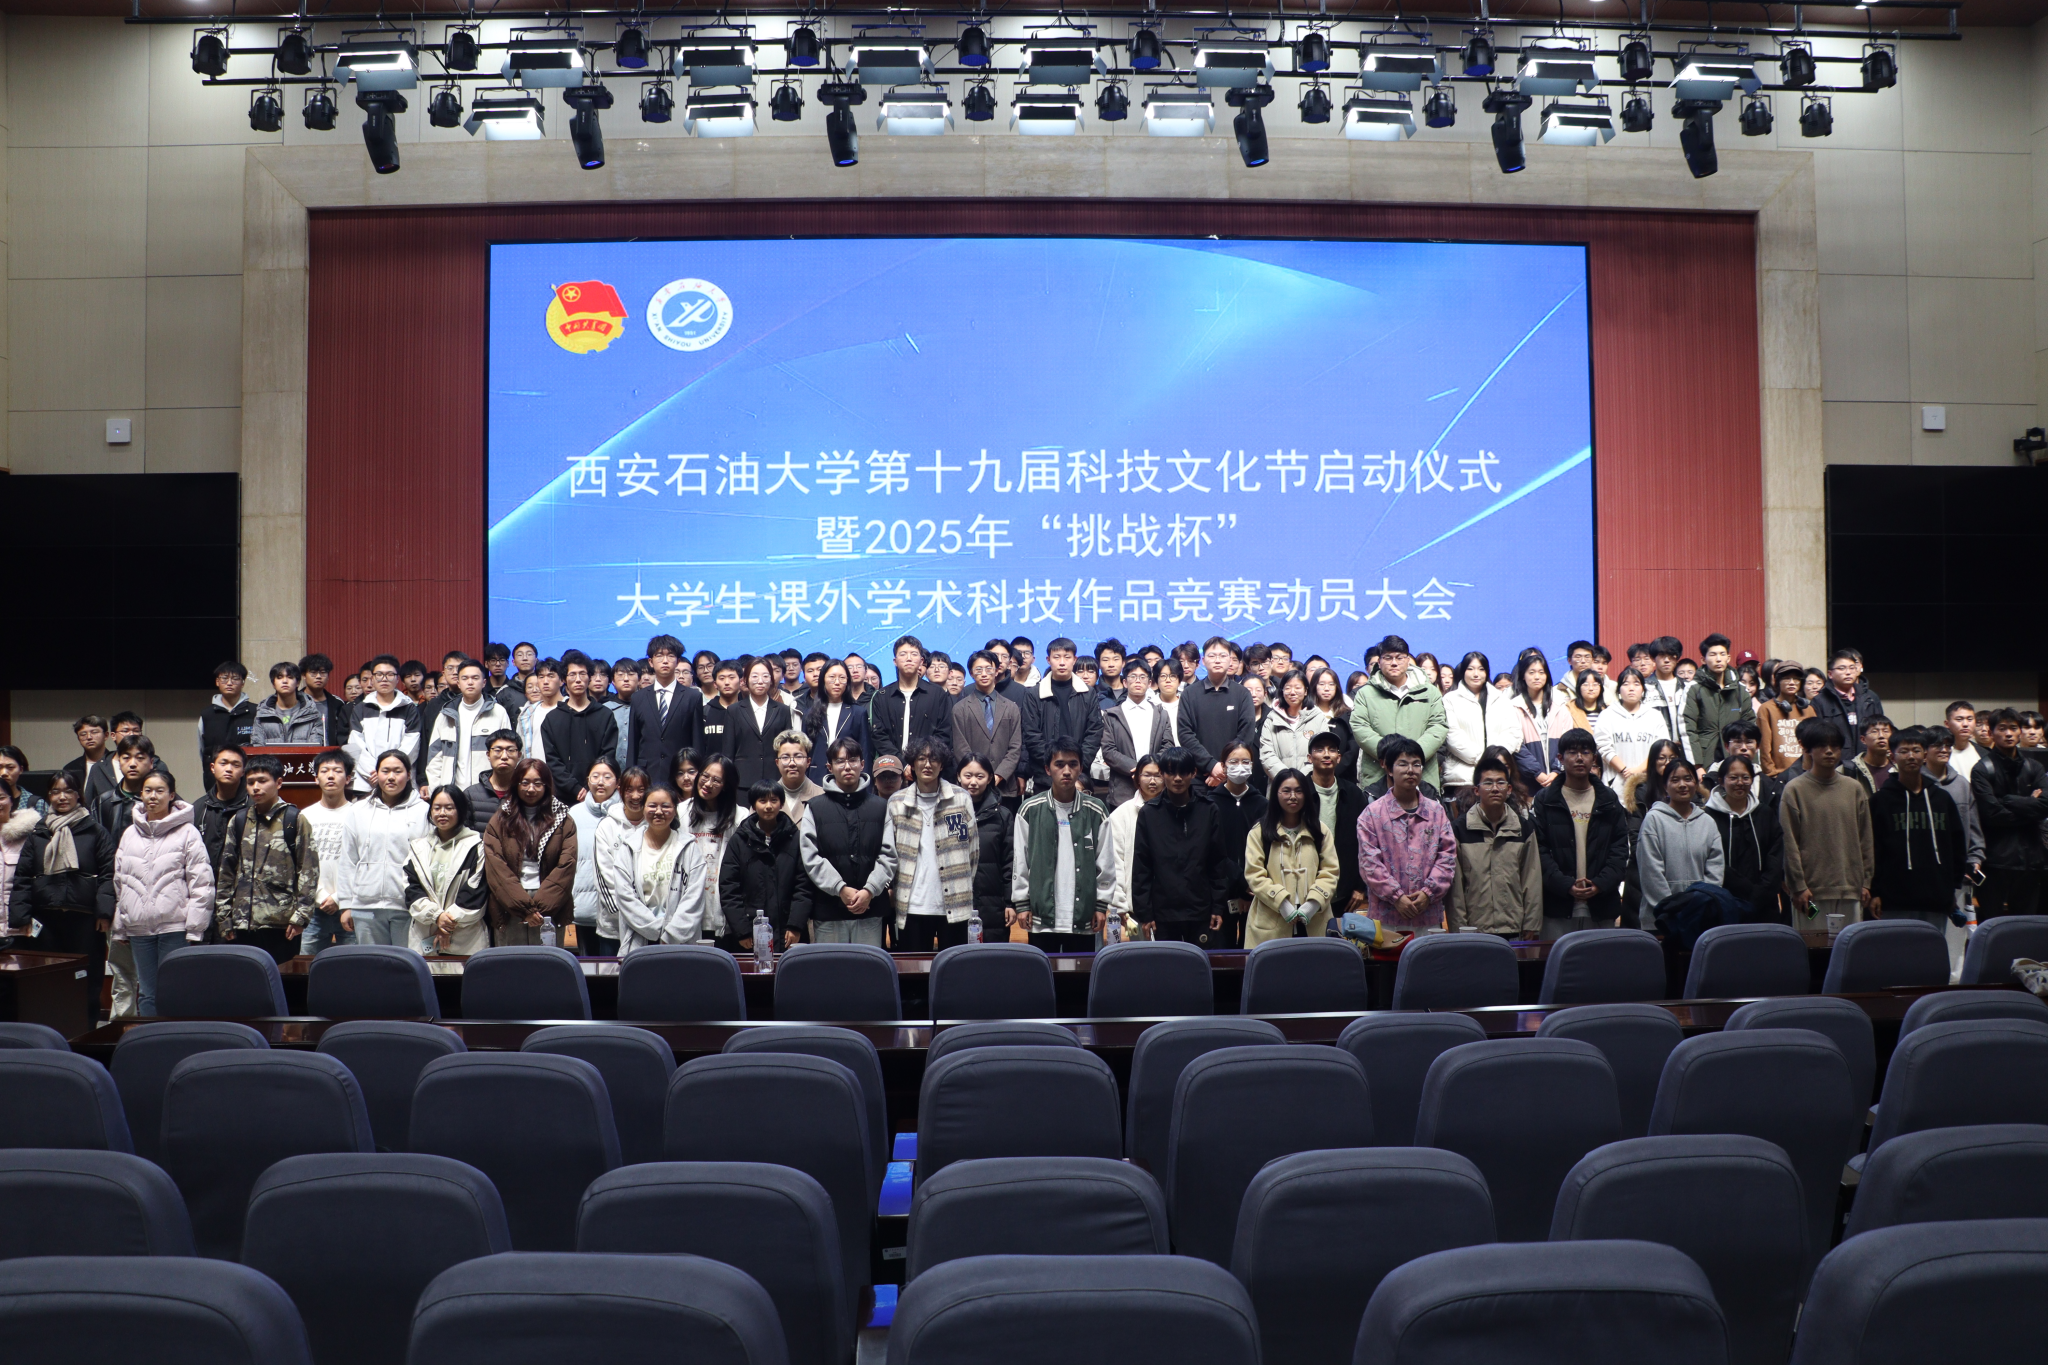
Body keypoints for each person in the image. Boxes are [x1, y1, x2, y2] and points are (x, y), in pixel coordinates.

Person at [110, 770, 214, 1016]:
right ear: (141, 794)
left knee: (175, 990)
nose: (153, 796)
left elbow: (202, 882)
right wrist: (120, 925)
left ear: (171, 795)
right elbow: (121, 882)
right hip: (138, 928)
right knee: (147, 993)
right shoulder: (130, 833)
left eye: (159, 791)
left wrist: (195, 927)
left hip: (174, 927)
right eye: (147, 790)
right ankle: (151, 1037)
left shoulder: (187, 832)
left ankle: (176, 1036)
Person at [1011, 742, 1115, 952]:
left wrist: (1101, 905)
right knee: (1043, 972)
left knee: (1080, 974)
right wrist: (1022, 903)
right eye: (1059, 764)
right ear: (1047, 769)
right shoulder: (1030, 809)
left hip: (1083, 917)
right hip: (1042, 917)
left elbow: (1105, 863)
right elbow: (1020, 861)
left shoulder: (1096, 810)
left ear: (1081, 768)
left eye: (1072, 764)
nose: (1066, 771)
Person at [792, 738, 896, 948]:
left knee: (868, 967)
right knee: (831, 967)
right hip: (828, 909)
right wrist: (839, 888)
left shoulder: (880, 807)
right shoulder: (815, 807)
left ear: (862, 764)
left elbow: (889, 855)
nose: (847, 766)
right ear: (830, 767)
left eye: (853, 760)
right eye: (840, 761)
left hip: (871, 908)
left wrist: (869, 890)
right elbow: (810, 857)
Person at [214, 755, 319, 963]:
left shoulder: (294, 819)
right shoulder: (239, 820)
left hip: (281, 923)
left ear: (278, 782)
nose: (256, 787)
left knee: (282, 978)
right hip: (242, 922)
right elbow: (226, 871)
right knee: (246, 978)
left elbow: (309, 870)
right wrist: (224, 916)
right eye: (251, 782)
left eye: (262, 781)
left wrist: (301, 916)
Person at [1530, 728, 1632, 939]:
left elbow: (1620, 848)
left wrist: (1600, 883)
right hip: (1557, 905)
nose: (1579, 758)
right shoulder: (1545, 800)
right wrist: (1565, 885)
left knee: (1599, 959)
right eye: (1572, 752)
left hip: (1601, 904)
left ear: (1594, 758)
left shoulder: (1609, 800)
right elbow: (1538, 851)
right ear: (1560, 758)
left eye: (1585, 752)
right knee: (1558, 958)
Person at [1868, 727, 1968, 936]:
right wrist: (1874, 891)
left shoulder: (1942, 799)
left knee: (1932, 951)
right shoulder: (1880, 801)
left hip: (1937, 897)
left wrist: (1952, 888)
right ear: (1892, 757)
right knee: (1898, 952)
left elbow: (1957, 845)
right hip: (1894, 899)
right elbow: (1873, 849)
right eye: (1904, 751)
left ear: (1925, 755)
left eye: (1916, 750)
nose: (1911, 756)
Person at [883, 737, 979, 952]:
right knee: (914, 969)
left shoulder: (960, 798)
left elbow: (973, 851)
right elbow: (889, 852)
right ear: (912, 764)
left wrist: (962, 884)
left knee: (954, 967)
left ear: (942, 764)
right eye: (921, 758)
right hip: (912, 905)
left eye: (934, 759)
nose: (927, 764)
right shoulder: (897, 802)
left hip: (955, 904)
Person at [1780, 717, 1876, 928]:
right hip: (1810, 894)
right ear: (1808, 749)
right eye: (1822, 746)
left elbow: (1866, 839)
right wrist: (1798, 886)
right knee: (1812, 946)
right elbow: (1790, 843)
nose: (1829, 751)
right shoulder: (1794, 789)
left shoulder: (1854, 788)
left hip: (1851, 890)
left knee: (1848, 945)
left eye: (1835, 746)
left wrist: (1866, 882)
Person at [1355, 735, 1457, 934]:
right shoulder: (1372, 814)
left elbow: (1447, 856)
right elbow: (1369, 863)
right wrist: (1397, 897)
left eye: (1416, 764)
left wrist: (1428, 893)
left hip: (1428, 914)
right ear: (1389, 769)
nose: (1411, 770)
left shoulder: (1436, 812)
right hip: (1386, 916)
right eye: (1403, 764)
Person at [1131, 748, 1227, 945]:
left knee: (1202, 962)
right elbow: (1142, 867)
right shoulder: (1149, 813)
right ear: (1162, 774)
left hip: (1201, 910)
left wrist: (1218, 906)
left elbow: (1218, 863)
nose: (1177, 778)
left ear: (1193, 773)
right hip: (1163, 912)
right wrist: (1145, 913)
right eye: (1171, 772)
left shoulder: (1209, 810)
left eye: (1183, 772)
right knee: (1168, 963)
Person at [1445, 751, 1544, 939]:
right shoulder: (1460, 829)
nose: (1495, 788)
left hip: (1514, 927)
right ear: (1476, 790)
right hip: (1474, 930)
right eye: (1488, 783)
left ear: (1509, 789)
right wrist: (1460, 930)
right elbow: (1456, 888)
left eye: (1500, 783)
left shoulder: (1523, 828)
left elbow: (1532, 880)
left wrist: (1531, 924)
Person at [340, 750, 432, 950]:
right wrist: (346, 904)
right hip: (365, 906)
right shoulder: (358, 811)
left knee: (407, 963)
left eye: (397, 771)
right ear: (376, 774)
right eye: (385, 771)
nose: (391, 777)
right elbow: (348, 859)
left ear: (408, 775)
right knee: (372, 963)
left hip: (409, 905)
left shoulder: (423, 811)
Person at [483, 757, 577, 947]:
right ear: (516, 784)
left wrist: (540, 908)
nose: (531, 789)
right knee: (512, 962)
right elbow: (496, 868)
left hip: (551, 907)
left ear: (547, 785)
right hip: (510, 906)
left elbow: (566, 866)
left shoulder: (563, 820)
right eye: (525, 783)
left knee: (548, 962)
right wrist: (524, 909)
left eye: (537, 783)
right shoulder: (500, 819)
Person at [1243, 768, 1339, 944]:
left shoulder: (1320, 830)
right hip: (1272, 919)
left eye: (1298, 791)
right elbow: (1254, 874)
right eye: (1286, 791)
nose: (1293, 796)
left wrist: (1313, 904)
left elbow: (1330, 872)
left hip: (1314, 919)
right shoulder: (1259, 832)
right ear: (1276, 794)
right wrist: (1282, 903)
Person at [1969, 707, 2048, 920]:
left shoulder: (2034, 767)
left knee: (2026, 926)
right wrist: (2030, 805)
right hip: (1996, 860)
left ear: (2020, 731)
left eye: (2013, 728)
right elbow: (1992, 814)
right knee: (1991, 925)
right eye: (2002, 728)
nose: (2009, 733)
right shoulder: (1982, 769)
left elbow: (2045, 806)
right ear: (1991, 732)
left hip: (2032, 859)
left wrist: (2008, 800)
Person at [1349, 634, 1449, 792]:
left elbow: (1438, 726)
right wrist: (1390, 755)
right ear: (1379, 662)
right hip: (1379, 777)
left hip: (1422, 777)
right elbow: (1359, 727)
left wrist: (1414, 756)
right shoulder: (1365, 693)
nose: (1394, 662)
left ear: (1408, 660)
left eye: (1399, 657)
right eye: (1388, 657)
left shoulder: (1429, 692)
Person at [1634, 759, 1726, 927]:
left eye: (1688, 779)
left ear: (1696, 783)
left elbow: (1715, 870)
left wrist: (1700, 905)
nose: (1682, 785)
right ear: (1665, 786)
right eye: (1675, 780)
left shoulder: (1708, 822)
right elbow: (1651, 873)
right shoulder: (1653, 820)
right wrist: (1671, 909)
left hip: (1700, 918)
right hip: (1660, 919)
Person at [402, 786, 490, 955]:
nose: (442, 813)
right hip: (424, 934)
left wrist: (446, 924)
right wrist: (436, 916)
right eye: (437, 808)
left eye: (449, 808)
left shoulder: (476, 846)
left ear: (461, 811)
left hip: (465, 938)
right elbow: (411, 889)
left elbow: (475, 892)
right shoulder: (418, 848)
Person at [720, 782, 805, 951]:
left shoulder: (795, 838)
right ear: (753, 805)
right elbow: (729, 888)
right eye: (762, 801)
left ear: (781, 804)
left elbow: (804, 886)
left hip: (788, 931)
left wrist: (795, 925)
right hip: (751, 932)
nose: (768, 806)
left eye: (774, 800)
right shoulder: (740, 840)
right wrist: (742, 930)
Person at [1705, 754, 1786, 924]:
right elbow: (1710, 860)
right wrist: (1744, 889)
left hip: (1764, 903)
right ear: (1721, 781)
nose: (1740, 782)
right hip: (1724, 903)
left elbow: (1775, 855)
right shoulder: (1708, 817)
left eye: (1745, 777)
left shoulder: (1765, 813)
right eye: (1733, 778)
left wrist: (1762, 892)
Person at [1920, 726, 1984, 926]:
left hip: (1958, 873)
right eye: (1938, 745)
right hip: (1924, 873)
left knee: (1956, 937)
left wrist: (1975, 858)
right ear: (1924, 751)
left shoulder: (1962, 784)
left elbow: (1974, 827)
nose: (1944, 750)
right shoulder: (1915, 783)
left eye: (1948, 745)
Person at [560, 755, 621, 956]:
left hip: (619, 909)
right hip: (583, 905)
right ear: (587, 780)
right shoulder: (574, 814)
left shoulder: (626, 813)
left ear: (618, 782)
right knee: (588, 966)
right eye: (595, 776)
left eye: (607, 777)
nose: (600, 782)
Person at [1181, 637, 1259, 791]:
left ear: (1230, 660)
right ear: (1203, 661)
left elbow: (1246, 733)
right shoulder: (1189, 694)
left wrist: (1224, 769)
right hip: (1199, 778)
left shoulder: (1242, 693)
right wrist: (1211, 765)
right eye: (1212, 656)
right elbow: (1185, 734)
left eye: (1223, 656)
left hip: (1235, 776)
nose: (1217, 660)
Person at [626, 634, 706, 785]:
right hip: (646, 774)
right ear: (650, 662)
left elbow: (697, 743)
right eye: (659, 656)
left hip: (680, 775)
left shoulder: (692, 697)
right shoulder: (638, 698)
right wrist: (631, 776)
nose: (665, 661)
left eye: (670, 655)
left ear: (678, 661)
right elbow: (633, 742)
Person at [543, 650, 620, 803]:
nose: (578, 679)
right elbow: (553, 761)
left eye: (582, 674)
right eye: (572, 675)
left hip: (598, 794)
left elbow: (607, 756)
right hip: (562, 796)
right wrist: (575, 788)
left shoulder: (605, 715)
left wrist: (590, 786)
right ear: (564, 679)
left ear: (589, 677)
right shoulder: (552, 719)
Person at [298, 750, 356, 955]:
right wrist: (321, 896)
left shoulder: (358, 814)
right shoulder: (305, 816)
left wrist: (339, 898)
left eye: (337, 771)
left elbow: (363, 862)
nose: (330, 776)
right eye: (324, 771)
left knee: (354, 965)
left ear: (348, 779)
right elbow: (300, 862)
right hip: (314, 908)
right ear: (316, 778)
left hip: (350, 905)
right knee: (307, 965)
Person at [680, 756, 740, 951]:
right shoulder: (681, 812)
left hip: (722, 911)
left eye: (716, 780)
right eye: (705, 776)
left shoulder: (740, 816)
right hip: (687, 908)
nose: (707, 784)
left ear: (726, 785)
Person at [1210, 741, 1265, 948]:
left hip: (1255, 890)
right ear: (1223, 766)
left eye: (1245, 761)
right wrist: (1239, 885)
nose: (1240, 766)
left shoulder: (1262, 804)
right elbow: (1213, 852)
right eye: (1233, 762)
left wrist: (1249, 886)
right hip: (1220, 892)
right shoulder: (1210, 803)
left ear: (1252, 765)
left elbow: (1266, 849)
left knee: (1252, 951)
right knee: (1222, 951)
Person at [588, 767, 648, 956]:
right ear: (620, 790)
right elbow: (604, 879)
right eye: (630, 790)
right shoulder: (606, 826)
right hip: (613, 927)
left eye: (641, 790)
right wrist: (630, 915)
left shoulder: (655, 825)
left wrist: (647, 918)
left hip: (650, 925)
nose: (636, 796)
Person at [1490, 647, 1567, 791]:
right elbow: (1516, 746)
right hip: (1526, 781)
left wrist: (1557, 770)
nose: (1537, 677)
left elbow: (1567, 741)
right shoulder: (1513, 707)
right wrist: (1537, 773)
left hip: (1559, 780)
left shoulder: (1560, 705)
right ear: (1523, 676)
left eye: (1541, 672)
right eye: (1531, 672)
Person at [956, 756, 1015, 942]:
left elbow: (1010, 862)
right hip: (955, 904)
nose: (973, 782)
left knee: (992, 956)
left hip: (994, 905)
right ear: (958, 776)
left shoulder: (1003, 816)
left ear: (990, 778)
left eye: (980, 776)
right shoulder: (947, 813)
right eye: (968, 776)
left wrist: (1010, 903)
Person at [871, 634, 956, 765]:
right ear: (895, 661)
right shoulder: (882, 696)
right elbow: (879, 736)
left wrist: (920, 761)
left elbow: (943, 733)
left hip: (928, 766)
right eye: (903, 654)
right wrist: (902, 764)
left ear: (921, 661)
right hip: (892, 767)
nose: (909, 658)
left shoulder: (937, 694)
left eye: (914, 654)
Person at [952, 650, 1025, 797]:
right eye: (978, 670)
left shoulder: (1011, 707)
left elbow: (1015, 747)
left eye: (988, 669)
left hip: (1004, 786)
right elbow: (960, 747)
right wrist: (979, 776)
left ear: (996, 671)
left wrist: (998, 775)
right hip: (971, 787)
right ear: (971, 674)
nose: (984, 674)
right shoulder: (960, 709)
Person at [1681, 633, 1757, 767]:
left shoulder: (1740, 689)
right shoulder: (1694, 688)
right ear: (1703, 660)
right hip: (1705, 758)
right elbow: (1688, 729)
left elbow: (1750, 727)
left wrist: (1752, 763)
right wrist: (1696, 765)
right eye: (1712, 654)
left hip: (1736, 758)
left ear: (1728, 658)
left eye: (1722, 654)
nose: (1718, 659)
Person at [349, 656, 423, 793]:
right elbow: (355, 745)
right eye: (379, 674)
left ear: (397, 679)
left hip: (399, 780)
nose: (384, 679)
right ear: (372, 678)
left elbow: (411, 745)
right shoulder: (361, 708)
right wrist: (375, 772)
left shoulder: (409, 708)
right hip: (367, 781)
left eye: (390, 674)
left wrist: (389, 772)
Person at [1107, 754, 1164, 930]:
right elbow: (1114, 861)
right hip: (1135, 906)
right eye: (1147, 775)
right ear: (1137, 778)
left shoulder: (1173, 811)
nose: (1152, 781)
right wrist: (1119, 904)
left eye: (1158, 775)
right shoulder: (1121, 814)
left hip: (1169, 905)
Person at [1594, 668, 1666, 798]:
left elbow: (1662, 748)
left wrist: (1638, 771)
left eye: (1636, 684)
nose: (1631, 688)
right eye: (1626, 684)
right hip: (1615, 783)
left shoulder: (1655, 716)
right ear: (1619, 690)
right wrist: (1624, 770)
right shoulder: (1607, 715)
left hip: (1648, 782)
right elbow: (1603, 746)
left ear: (1643, 689)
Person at [727, 658, 795, 790]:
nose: (760, 681)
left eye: (765, 676)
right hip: (742, 780)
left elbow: (787, 748)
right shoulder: (734, 710)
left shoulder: (783, 710)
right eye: (754, 676)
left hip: (775, 779)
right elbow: (728, 751)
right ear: (745, 680)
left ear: (771, 680)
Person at [803, 660, 873, 785]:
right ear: (823, 680)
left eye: (842, 678)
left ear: (848, 681)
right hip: (816, 776)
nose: (837, 682)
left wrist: (865, 784)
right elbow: (805, 751)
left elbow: (865, 751)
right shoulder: (810, 713)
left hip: (848, 775)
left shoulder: (858, 712)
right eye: (832, 677)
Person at [1810, 648, 1886, 756]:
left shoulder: (1870, 698)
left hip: (1867, 758)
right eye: (1842, 668)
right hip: (1835, 760)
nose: (1848, 672)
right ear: (1830, 674)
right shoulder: (1819, 701)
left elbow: (1880, 729)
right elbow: (1816, 737)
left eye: (1852, 668)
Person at [1258, 669, 1326, 784]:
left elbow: (1323, 752)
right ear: (1282, 691)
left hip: (1311, 784)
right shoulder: (1272, 719)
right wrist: (1286, 778)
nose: (1292, 692)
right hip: (1280, 786)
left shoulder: (1318, 717)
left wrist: (1301, 779)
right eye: (1288, 688)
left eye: (1298, 687)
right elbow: (1266, 755)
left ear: (1306, 691)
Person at [1439, 652, 1492, 794]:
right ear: (1463, 671)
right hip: (1462, 778)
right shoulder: (1450, 699)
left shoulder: (1499, 699)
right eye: (1470, 669)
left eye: (1481, 669)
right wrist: (1482, 759)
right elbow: (1452, 734)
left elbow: (1511, 732)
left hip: (1496, 774)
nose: (1476, 674)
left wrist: (1497, 759)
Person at [1757, 663, 1816, 777]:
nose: (1792, 682)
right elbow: (1764, 748)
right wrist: (1771, 774)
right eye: (1787, 678)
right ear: (1777, 681)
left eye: (1796, 679)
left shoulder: (1808, 710)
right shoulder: (1766, 709)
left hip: (1806, 775)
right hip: (1779, 775)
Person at [199, 660, 257, 775]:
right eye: (224, 678)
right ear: (217, 682)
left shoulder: (255, 712)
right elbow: (202, 749)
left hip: (248, 774)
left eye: (235, 679)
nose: (229, 683)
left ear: (243, 683)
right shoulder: (207, 714)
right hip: (216, 776)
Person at [251, 661, 325, 745]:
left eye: (290, 677)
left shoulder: (312, 713)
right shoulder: (262, 714)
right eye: (279, 677)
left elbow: (315, 747)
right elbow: (257, 746)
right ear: (273, 684)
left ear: (297, 683)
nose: (285, 681)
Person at [1642, 636, 1692, 759]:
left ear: (1677, 658)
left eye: (1671, 656)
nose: (1667, 660)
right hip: (1655, 750)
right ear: (1653, 658)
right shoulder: (1644, 687)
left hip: (1684, 750)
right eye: (1661, 655)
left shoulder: (1687, 687)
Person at [464, 731, 522, 834]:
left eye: (510, 750)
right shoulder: (470, 794)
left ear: (519, 755)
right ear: (488, 755)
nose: (504, 756)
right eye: (498, 750)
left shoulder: (525, 793)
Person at [298, 653, 353, 746]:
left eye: (323, 672)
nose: (318, 676)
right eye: (313, 673)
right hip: (301, 751)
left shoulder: (337, 703)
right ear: (304, 675)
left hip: (329, 752)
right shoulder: (295, 701)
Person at [769, 732, 824, 823]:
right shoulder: (763, 798)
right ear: (777, 763)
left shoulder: (822, 797)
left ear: (808, 762)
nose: (792, 763)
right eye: (785, 757)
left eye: (798, 757)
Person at [700, 660, 742, 761]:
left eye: (731, 677)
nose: (727, 682)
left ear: (741, 682)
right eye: (722, 678)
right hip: (710, 768)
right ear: (715, 684)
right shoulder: (705, 712)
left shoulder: (747, 712)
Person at [1843, 717, 1895, 795]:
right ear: (1863, 739)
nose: (1881, 736)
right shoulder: (1848, 769)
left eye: (1885, 731)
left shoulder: (1899, 768)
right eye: (1874, 731)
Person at [1565, 669, 1608, 733]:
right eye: (1586, 684)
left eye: (1595, 684)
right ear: (1579, 687)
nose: (1591, 688)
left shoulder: (1608, 711)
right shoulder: (1569, 709)